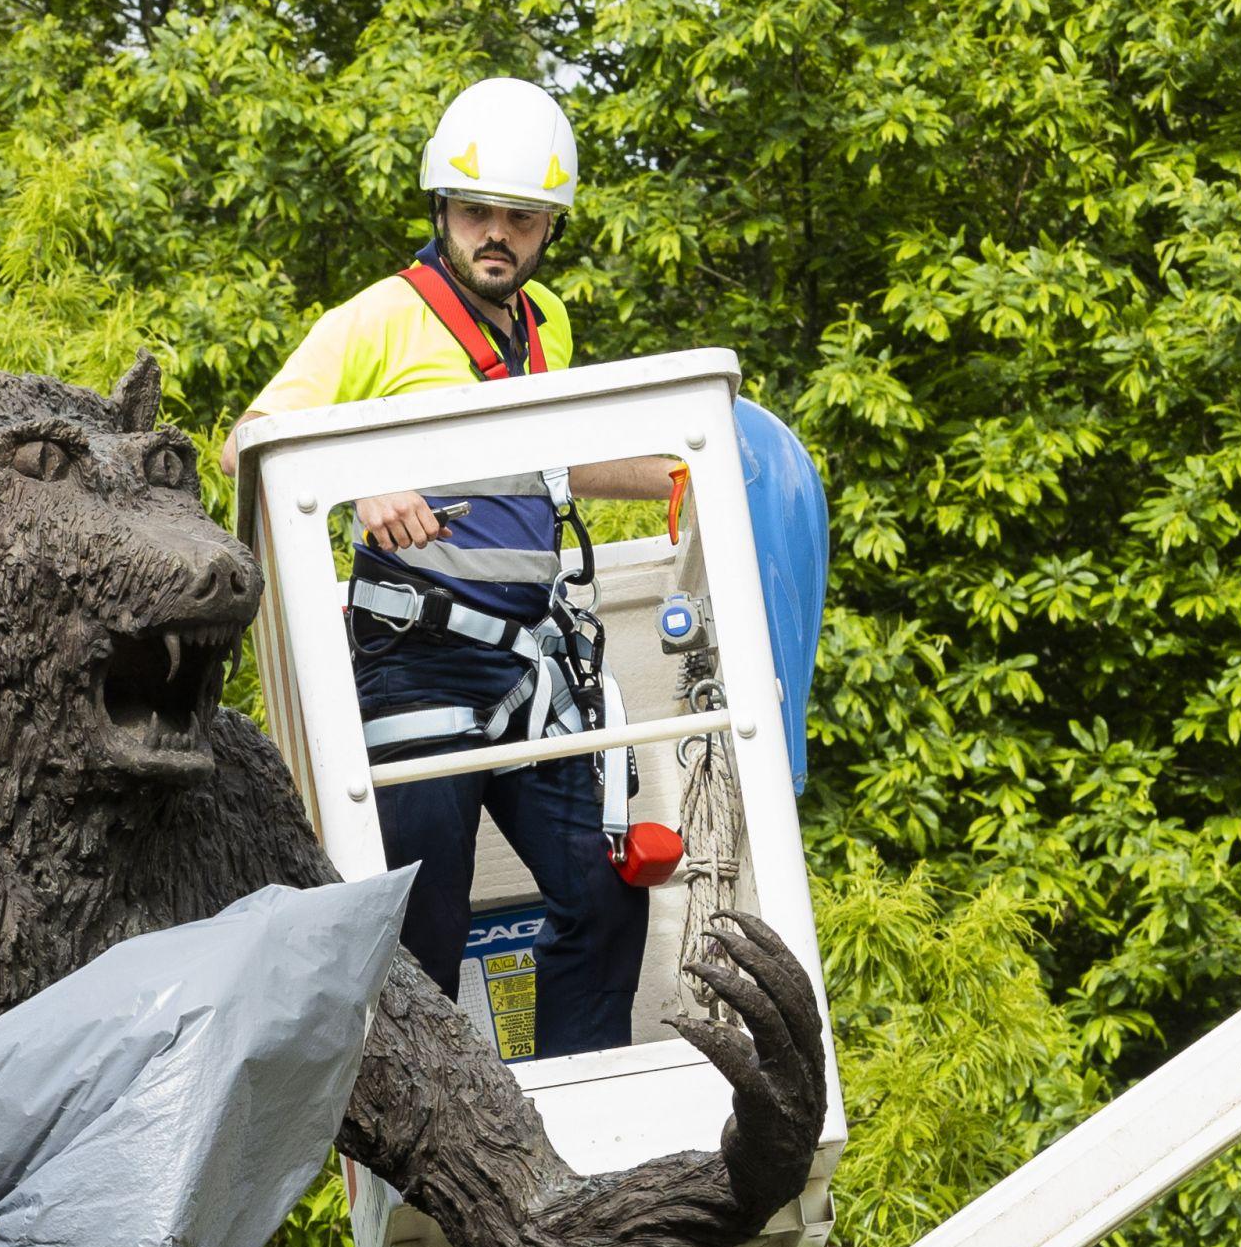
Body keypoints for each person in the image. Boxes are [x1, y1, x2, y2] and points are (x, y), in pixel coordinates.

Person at [222, 77, 830, 1061]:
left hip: (528, 667)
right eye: (477, 212)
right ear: (442, 210)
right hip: (415, 661)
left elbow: (549, 462)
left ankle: (571, 1105)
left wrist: (691, 471)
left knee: (604, 898)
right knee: (422, 929)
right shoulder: (380, 318)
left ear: (550, 227)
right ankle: (447, 1124)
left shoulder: (544, 322)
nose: (495, 234)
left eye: (520, 217)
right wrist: (358, 479)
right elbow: (248, 438)